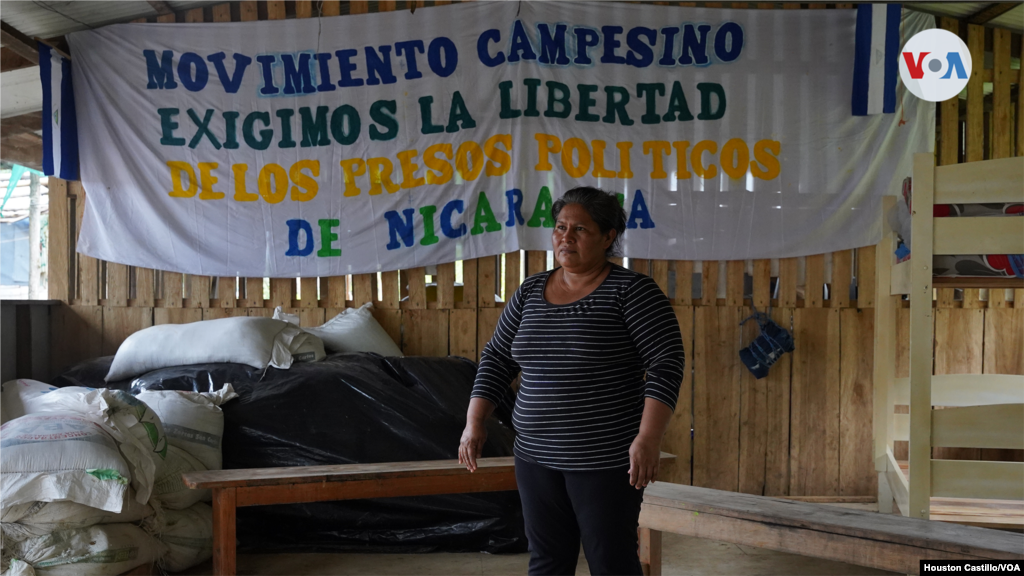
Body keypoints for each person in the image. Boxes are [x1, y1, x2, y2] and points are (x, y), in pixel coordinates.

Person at [458, 187, 685, 576]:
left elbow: (666, 364)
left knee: (610, 561)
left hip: (604, 461)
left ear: (609, 236)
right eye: (560, 227)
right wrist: (474, 422)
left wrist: (648, 439)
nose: (566, 237)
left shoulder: (632, 292)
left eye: (580, 229)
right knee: (547, 562)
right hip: (534, 457)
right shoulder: (531, 290)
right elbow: (497, 357)